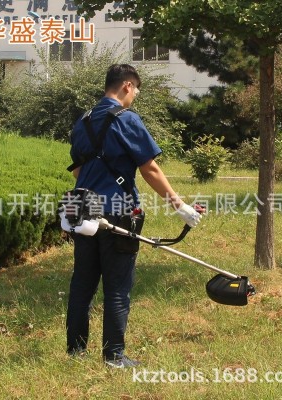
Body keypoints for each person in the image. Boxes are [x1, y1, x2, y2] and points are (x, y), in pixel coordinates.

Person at [66, 64, 202, 368]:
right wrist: (180, 206)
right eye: (136, 90)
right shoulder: (127, 119)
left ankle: (75, 352)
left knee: (82, 284)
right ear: (127, 85)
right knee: (117, 287)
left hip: (82, 210)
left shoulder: (83, 121)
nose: (135, 95)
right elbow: (149, 168)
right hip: (118, 212)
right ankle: (114, 356)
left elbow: (77, 171)